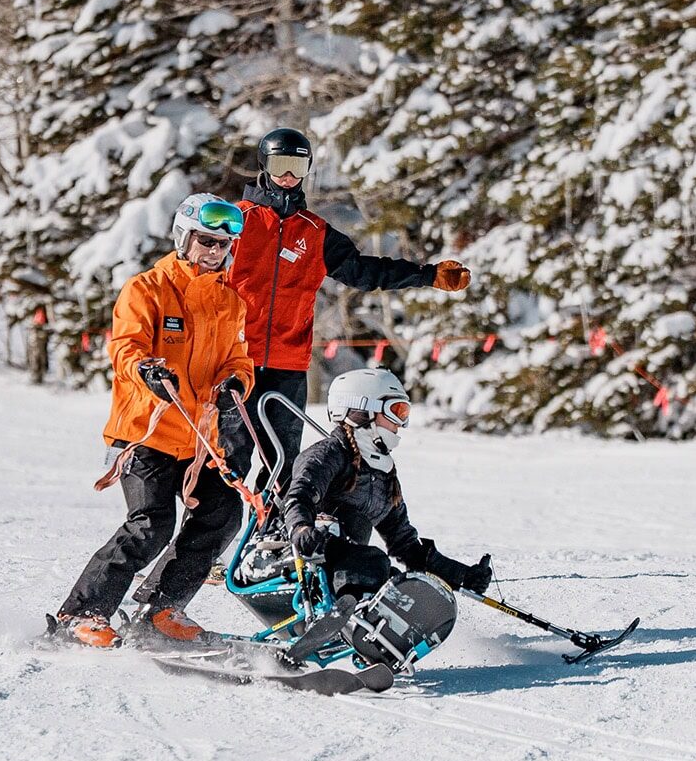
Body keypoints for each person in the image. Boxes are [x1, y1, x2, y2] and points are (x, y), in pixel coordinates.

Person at [54, 194, 255, 649]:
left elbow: (238, 358)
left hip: (199, 439)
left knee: (223, 512)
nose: (214, 251)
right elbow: (125, 347)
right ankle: (80, 614)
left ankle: (160, 609)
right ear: (183, 238)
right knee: (151, 523)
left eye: (223, 244)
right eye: (206, 241)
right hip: (146, 433)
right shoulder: (147, 288)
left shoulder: (229, 301)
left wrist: (236, 382)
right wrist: (146, 370)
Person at [224, 127, 472, 488]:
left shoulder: (315, 233)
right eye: (280, 165)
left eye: (297, 166)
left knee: (282, 466)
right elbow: (195, 266)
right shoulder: (236, 220)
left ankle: (274, 524)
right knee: (226, 463)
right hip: (234, 361)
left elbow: (365, 272)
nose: (288, 176)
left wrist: (427, 275)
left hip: (287, 366)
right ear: (264, 165)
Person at [281, 368, 492, 610]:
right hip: (295, 561)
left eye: (404, 413)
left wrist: (462, 575)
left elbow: (406, 545)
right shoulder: (328, 454)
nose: (400, 424)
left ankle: (370, 622)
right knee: (374, 565)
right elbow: (298, 497)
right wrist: (301, 528)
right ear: (361, 410)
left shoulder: (382, 474)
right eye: (395, 411)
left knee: (400, 584)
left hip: (342, 569)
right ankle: (346, 612)